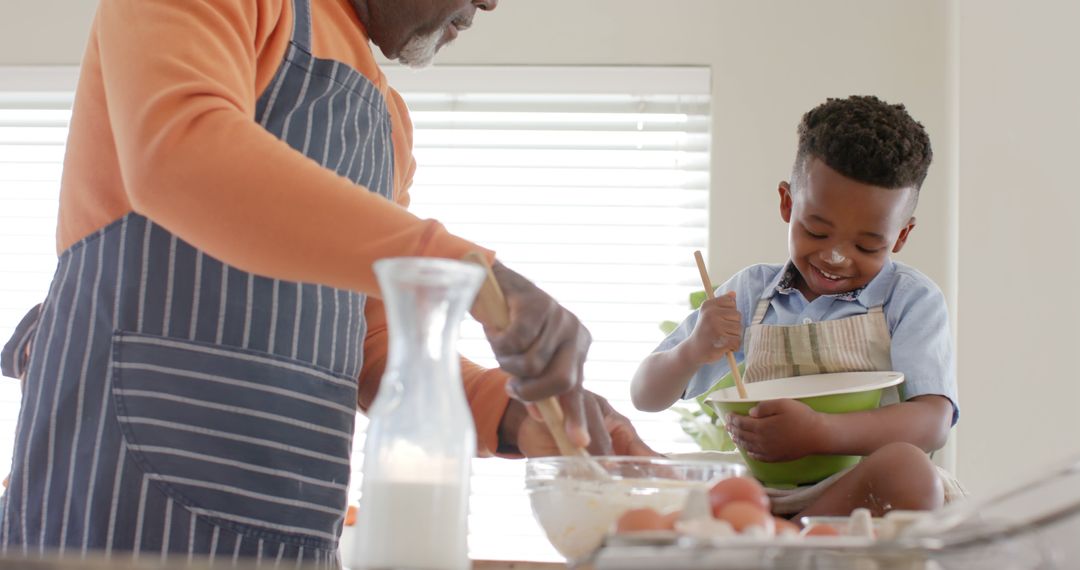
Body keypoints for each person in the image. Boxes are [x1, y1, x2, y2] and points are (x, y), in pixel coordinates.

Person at [0, 0, 655, 561]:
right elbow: (180, 151)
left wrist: (510, 414)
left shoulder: (386, 120)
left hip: (290, 537)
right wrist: (471, 273)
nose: (489, 3)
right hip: (111, 519)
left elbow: (364, 338)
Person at [631, 95, 960, 518]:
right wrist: (693, 349)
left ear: (900, 237)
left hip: (865, 494)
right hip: (764, 495)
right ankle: (787, 536)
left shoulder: (910, 299)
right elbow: (645, 395)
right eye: (816, 232)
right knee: (660, 481)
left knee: (909, 470)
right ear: (787, 204)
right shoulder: (751, 293)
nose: (836, 257)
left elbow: (931, 424)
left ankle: (790, 539)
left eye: (866, 245)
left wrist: (819, 432)